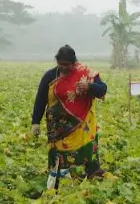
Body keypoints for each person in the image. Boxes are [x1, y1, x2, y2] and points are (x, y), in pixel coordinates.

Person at [31, 45, 108, 188]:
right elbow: (41, 99)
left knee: (86, 148)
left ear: (74, 62)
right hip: (58, 126)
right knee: (59, 153)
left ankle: (92, 172)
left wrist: (89, 87)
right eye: (61, 64)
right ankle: (59, 179)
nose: (64, 68)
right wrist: (35, 121)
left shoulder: (86, 74)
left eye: (67, 65)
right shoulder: (50, 76)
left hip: (82, 123)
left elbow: (102, 89)